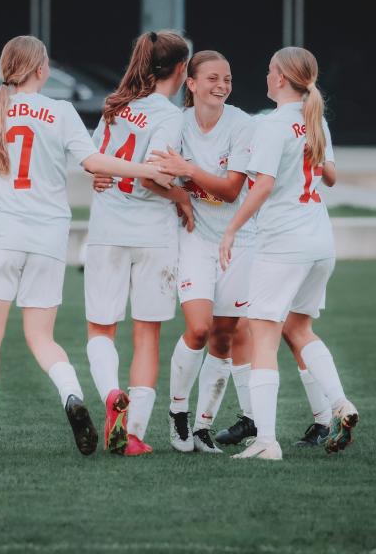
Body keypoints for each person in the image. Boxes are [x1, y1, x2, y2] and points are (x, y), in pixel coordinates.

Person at [0, 35, 174, 458]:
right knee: (41, 336)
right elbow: (94, 163)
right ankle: (71, 395)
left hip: (3, 234)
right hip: (48, 236)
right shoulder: (61, 112)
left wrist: (3, 175)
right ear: (42, 70)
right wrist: (146, 169)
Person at [217, 46, 358, 461]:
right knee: (299, 330)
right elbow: (330, 177)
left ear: (280, 78)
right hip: (319, 243)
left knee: (262, 335)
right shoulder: (315, 120)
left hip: (284, 245)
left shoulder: (273, 124)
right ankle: (340, 404)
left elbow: (260, 187)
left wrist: (231, 229)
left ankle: (266, 442)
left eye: (268, 71)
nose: (265, 78)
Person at [84, 30, 192, 457]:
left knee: (101, 328)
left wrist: (100, 176)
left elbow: (96, 163)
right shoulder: (169, 116)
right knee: (147, 335)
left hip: (107, 230)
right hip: (153, 235)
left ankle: (112, 393)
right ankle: (131, 435)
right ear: (182, 69)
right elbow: (156, 175)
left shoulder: (116, 105)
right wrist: (183, 194)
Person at [145, 50, 256, 454]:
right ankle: (178, 415)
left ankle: (204, 428)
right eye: (212, 78)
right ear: (191, 84)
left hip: (238, 240)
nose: (221, 85)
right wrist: (178, 193)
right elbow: (151, 174)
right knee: (198, 328)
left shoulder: (243, 124)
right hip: (194, 239)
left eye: (226, 78)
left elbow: (230, 190)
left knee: (225, 336)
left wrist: (187, 171)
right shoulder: (176, 124)